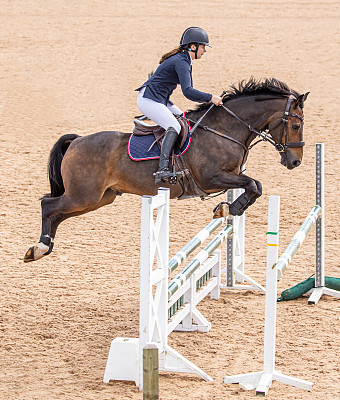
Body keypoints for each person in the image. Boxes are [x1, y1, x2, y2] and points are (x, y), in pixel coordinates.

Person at [136, 26, 223, 184]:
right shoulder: (181, 62)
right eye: (203, 47)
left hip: (160, 99)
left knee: (185, 118)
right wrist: (211, 98)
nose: (204, 51)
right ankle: (162, 169)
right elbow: (188, 92)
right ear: (193, 46)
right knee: (174, 126)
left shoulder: (184, 60)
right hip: (148, 99)